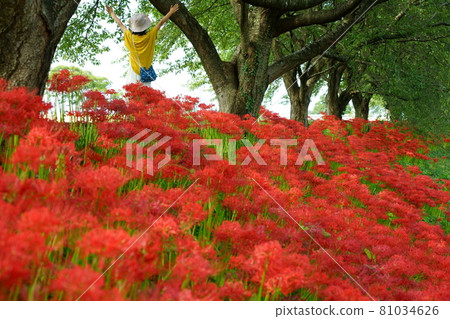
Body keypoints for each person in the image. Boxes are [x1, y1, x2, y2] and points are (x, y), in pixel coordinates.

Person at [105, 4, 179, 86]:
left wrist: (111, 13)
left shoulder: (130, 36)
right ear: (145, 26)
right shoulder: (150, 35)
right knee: (146, 96)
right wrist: (171, 12)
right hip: (146, 73)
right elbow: (161, 23)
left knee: (132, 95)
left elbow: (120, 24)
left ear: (133, 27)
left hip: (133, 72)